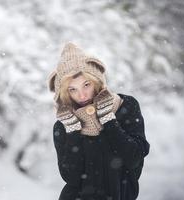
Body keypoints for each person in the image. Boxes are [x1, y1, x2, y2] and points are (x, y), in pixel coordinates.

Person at [48, 42, 150, 200]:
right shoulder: (63, 125)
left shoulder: (125, 106)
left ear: (97, 81)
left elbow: (134, 157)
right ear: (65, 93)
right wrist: (73, 130)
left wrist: (108, 120)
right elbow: (71, 177)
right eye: (72, 89)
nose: (81, 95)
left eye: (86, 85)